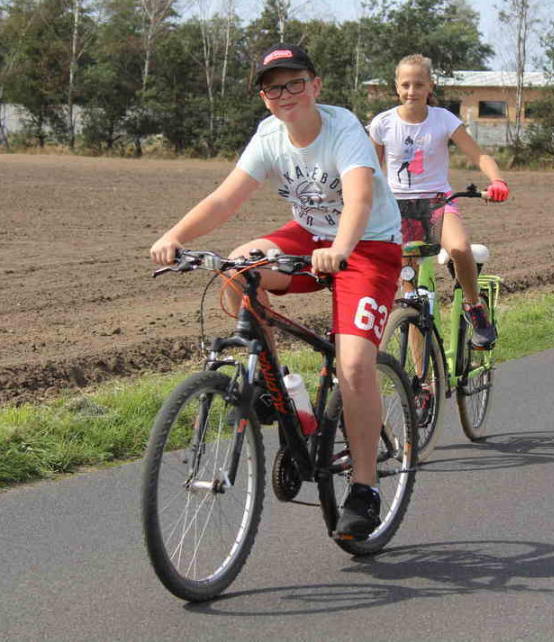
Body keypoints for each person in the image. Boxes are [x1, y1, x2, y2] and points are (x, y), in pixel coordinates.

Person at [150, 43, 403, 540]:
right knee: (236, 270)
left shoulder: (343, 129)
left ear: (315, 85)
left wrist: (341, 248)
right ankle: (278, 387)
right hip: (309, 237)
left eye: (294, 83)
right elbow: (225, 198)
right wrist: (175, 236)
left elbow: (358, 198)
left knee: (354, 364)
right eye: (272, 88)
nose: (284, 94)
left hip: (368, 244)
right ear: (263, 97)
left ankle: (365, 489)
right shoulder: (269, 135)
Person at [368, 54, 509, 348]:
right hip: (399, 208)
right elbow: (368, 170)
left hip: (438, 202)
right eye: (405, 84)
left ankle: (474, 306)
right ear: (396, 86)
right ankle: (420, 374)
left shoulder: (443, 119)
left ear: (429, 86)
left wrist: (497, 180)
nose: (411, 91)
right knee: (410, 297)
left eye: (419, 84)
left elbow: (479, 155)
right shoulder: (383, 123)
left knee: (459, 247)